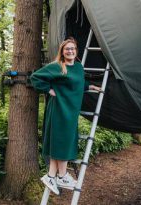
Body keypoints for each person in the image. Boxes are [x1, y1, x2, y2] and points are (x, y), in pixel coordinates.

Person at [30, 38, 100, 195]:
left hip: (71, 111)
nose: (70, 51)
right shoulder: (57, 66)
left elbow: (78, 83)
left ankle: (51, 176)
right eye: (67, 49)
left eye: (73, 48)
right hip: (59, 110)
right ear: (62, 51)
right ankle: (61, 176)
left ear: (76, 51)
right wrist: (48, 89)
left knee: (61, 142)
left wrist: (90, 86)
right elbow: (35, 77)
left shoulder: (78, 68)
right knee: (62, 142)